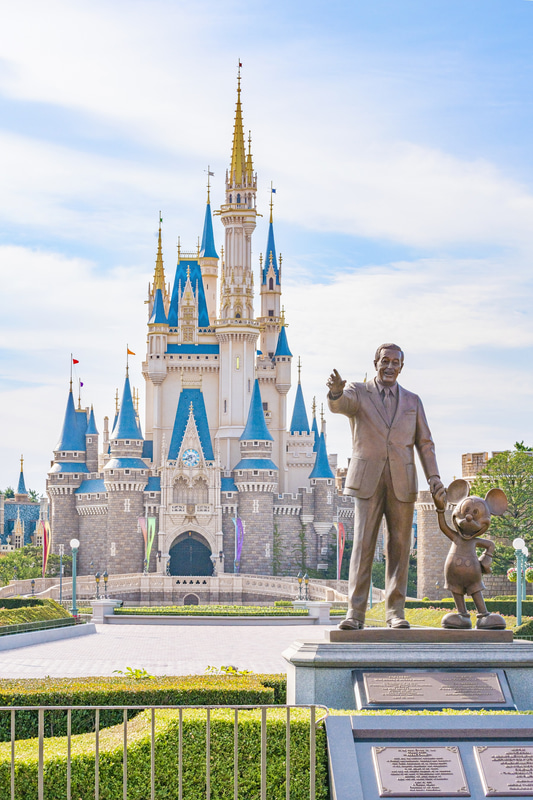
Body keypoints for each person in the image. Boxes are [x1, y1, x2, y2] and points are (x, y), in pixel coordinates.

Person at [327, 343, 445, 629]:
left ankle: (395, 613)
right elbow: (341, 405)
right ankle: (355, 615)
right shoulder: (358, 391)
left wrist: (434, 478)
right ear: (376, 362)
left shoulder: (413, 401)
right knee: (363, 545)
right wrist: (335, 392)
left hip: (402, 481)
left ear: (401, 367)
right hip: (367, 479)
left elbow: (425, 443)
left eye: (395, 362)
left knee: (400, 547)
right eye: (385, 361)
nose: (390, 366)